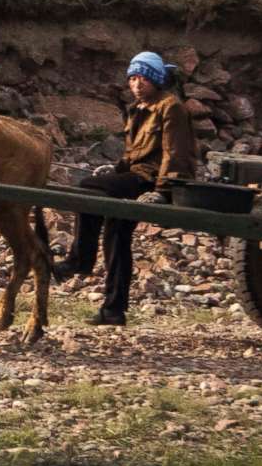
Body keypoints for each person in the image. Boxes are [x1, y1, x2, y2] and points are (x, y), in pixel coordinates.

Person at [58, 50, 199, 324]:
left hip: (149, 180)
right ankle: (113, 310)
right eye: (132, 78)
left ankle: (79, 260)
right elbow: (135, 153)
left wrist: (162, 191)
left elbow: (176, 153)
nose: (136, 83)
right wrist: (116, 170)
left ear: (156, 80)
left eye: (143, 78)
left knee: (88, 187)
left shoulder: (171, 107)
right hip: (135, 175)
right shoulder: (138, 109)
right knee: (117, 237)